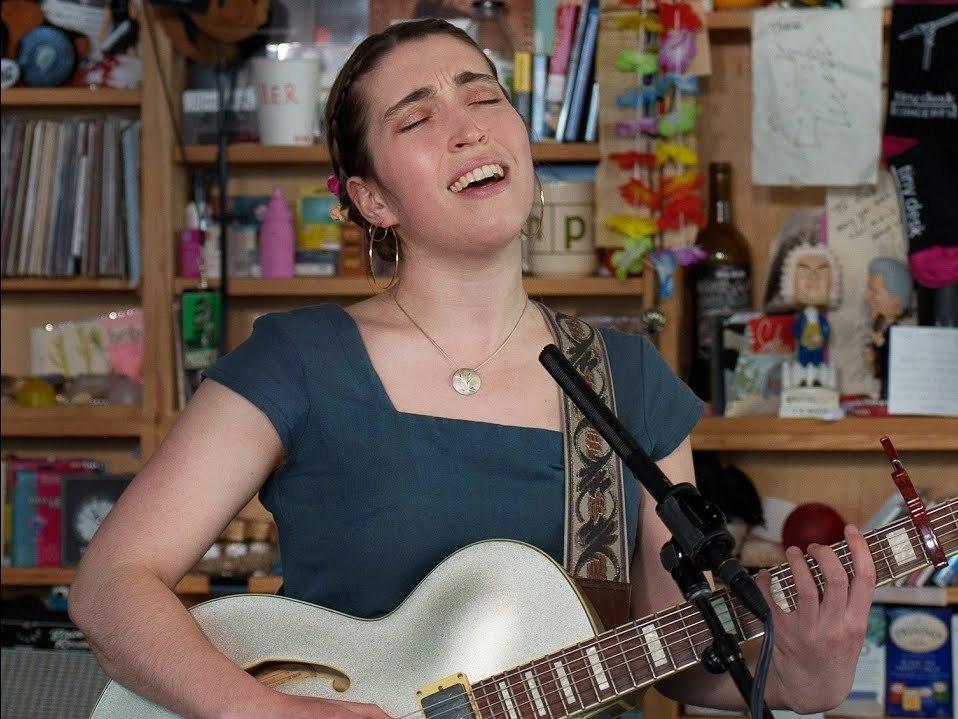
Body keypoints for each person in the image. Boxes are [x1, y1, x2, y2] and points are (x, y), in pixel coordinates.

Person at [68, 19, 876, 719]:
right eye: (417, 118)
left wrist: (800, 674)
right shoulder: (299, 360)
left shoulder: (625, 379)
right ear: (371, 199)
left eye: (484, 95)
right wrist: (257, 706)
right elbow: (111, 586)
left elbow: (677, 657)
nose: (467, 128)